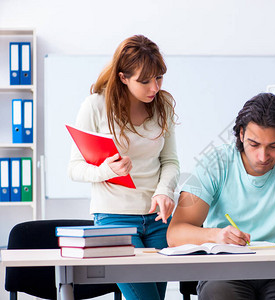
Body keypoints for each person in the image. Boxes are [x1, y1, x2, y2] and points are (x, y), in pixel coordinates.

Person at [167, 92, 275, 300]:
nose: (263, 157)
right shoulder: (214, 162)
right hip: (225, 270)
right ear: (241, 135)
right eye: (254, 144)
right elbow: (175, 233)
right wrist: (216, 236)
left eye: (274, 146)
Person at [68, 35, 179, 300]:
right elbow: (74, 168)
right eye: (145, 81)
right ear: (123, 77)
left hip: (158, 221)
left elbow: (171, 161)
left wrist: (165, 191)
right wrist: (107, 170)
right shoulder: (96, 105)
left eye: (159, 77)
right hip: (114, 220)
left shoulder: (162, 105)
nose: (154, 87)